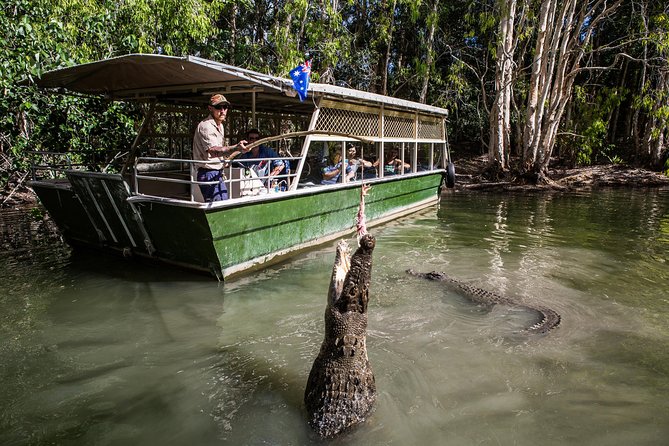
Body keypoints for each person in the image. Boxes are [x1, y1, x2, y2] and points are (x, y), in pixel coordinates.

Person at [192, 94, 247, 201]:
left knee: (223, 202)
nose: (222, 111)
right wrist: (236, 147)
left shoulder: (220, 125)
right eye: (219, 107)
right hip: (208, 173)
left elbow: (220, 150)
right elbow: (213, 151)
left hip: (217, 172)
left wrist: (226, 159)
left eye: (225, 107)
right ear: (210, 108)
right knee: (218, 205)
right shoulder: (206, 126)